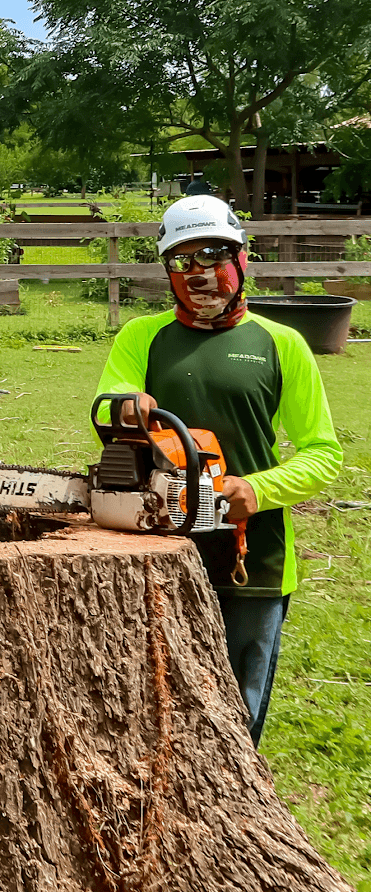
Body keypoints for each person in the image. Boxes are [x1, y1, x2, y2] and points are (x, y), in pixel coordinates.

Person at [96, 194, 341, 746]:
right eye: (183, 260)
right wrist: (124, 405)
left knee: (238, 700)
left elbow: (323, 452)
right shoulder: (142, 336)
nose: (200, 272)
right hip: (157, 542)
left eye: (213, 254)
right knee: (148, 693)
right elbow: (109, 406)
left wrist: (256, 488)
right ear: (167, 270)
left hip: (252, 553)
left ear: (242, 258)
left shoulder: (282, 344)